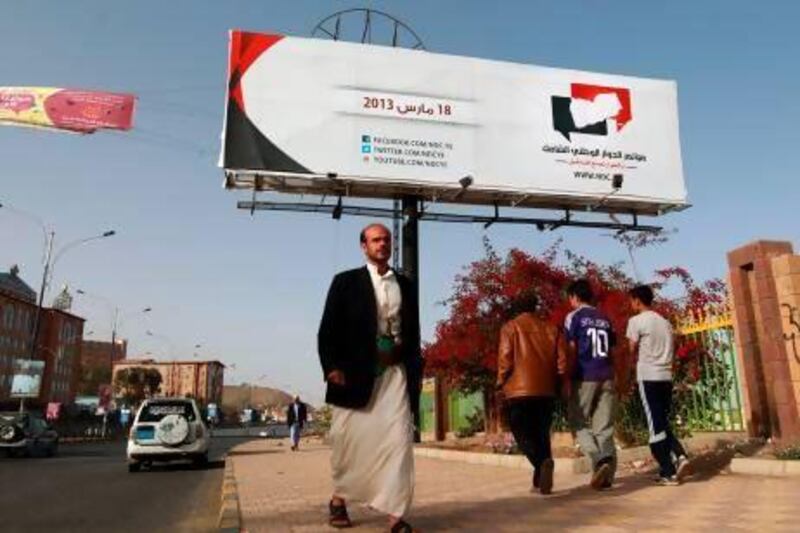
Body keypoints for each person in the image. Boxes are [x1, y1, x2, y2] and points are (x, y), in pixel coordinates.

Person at [318, 223, 423, 532]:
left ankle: (395, 515)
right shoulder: (345, 282)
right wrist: (331, 367)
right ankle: (339, 500)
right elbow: (327, 329)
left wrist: (412, 363)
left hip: (395, 374)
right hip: (353, 377)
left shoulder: (405, 284)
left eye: (387, 240)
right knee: (351, 445)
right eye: (376, 240)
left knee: (397, 442)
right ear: (363, 246)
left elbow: (413, 331)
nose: (383, 244)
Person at [496, 291, 566, 495]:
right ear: (535, 306)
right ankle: (540, 482)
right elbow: (562, 362)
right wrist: (558, 383)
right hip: (546, 390)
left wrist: (500, 382)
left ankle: (540, 462)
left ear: (517, 307)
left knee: (521, 433)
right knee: (541, 434)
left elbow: (505, 359)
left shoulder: (510, 328)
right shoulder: (552, 329)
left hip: (519, 391)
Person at [626, 285, 692, 486]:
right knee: (661, 421)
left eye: (631, 300)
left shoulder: (636, 321)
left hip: (648, 377)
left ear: (637, 300)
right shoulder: (665, 323)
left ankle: (668, 471)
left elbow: (631, 348)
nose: (631, 304)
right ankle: (680, 455)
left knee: (655, 427)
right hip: (666, 377)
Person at [564, 279, 617, 490]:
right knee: (604, 427)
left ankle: (598, 460)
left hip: (585, 375)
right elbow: (613, 350)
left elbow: (571, 349)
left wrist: (567, 378)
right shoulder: (605, 318)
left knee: (577, 421)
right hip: (607, 374)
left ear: (575, 297)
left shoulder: (574, 317)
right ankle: (607, 476)